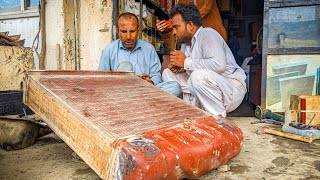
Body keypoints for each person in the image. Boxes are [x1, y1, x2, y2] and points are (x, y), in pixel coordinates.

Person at [162, 3, 246, 117]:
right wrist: (180, 67)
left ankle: (218, 119)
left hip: (231, 88)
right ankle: (192, 113)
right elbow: (192, 67)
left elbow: (218, 65)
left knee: (197, 76)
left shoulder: (208, 34)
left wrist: (186, 62)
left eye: (176, 27)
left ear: (190, 25)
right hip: (207, 85)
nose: (174, 32)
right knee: (168, 74)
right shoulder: (185, 44)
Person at [98, 12, 181, 97]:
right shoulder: (109, 51)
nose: (128, 36)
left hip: (145, 92)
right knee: (125, 66)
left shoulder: (149, 49)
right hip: (120, 94)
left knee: (175, 87)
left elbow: (157, 76)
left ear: (138, 31)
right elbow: (101, 81)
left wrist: (150, 82)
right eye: (123, 32)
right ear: (118, 32)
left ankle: (139, 99)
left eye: (132, 31)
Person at [156, 0, 227, 42]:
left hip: (213, 37)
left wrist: (172, 23)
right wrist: (164, 26)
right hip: (192, 40)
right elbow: (180, 14)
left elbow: (204, 10)